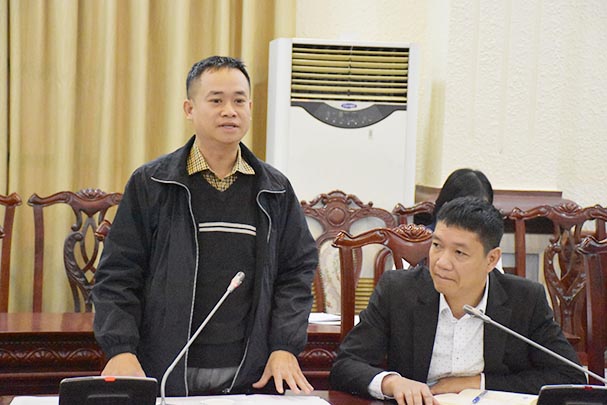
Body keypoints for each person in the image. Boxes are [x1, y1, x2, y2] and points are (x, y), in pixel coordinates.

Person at [92, 56, 318, 396]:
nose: (229, 111)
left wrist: (284, 346)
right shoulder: (152, 183)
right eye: (216, 100)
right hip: (164, 368)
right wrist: (121, 349)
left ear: (250, 108)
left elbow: (296, 273)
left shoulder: (275, 189)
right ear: (189, 109)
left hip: (250, 373)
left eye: (239, 101)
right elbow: (117, 275)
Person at [330, 197, 585, 405]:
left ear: (491, 259)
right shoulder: (398, 291)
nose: (441, 262)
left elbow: (569, 375)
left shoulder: (525, 299)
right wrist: (392, 382)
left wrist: (476, 383)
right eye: (437, 245)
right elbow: (346, 365)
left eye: (459, 252)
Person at [428, 168, 494, 231]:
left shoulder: (490, 235)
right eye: (467, 210)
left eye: (481, 210)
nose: (476, 217)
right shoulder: (426, 236)